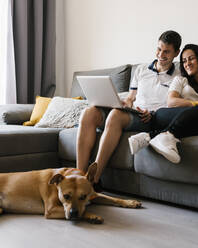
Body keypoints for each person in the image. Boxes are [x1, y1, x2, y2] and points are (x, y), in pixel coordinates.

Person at [76, 30, 182, 191]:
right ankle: (78, 177)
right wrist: (120, 102)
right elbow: (131, 98)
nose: (161, 54)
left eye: (166, 51)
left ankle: (94, 179)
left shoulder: (180, 75)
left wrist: (155, 113)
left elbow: (175, 104)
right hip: (133, 112)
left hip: (151, 118)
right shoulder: (141, 70)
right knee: (89, 113)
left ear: (176, 53)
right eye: (159, 49)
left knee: (116, 116)